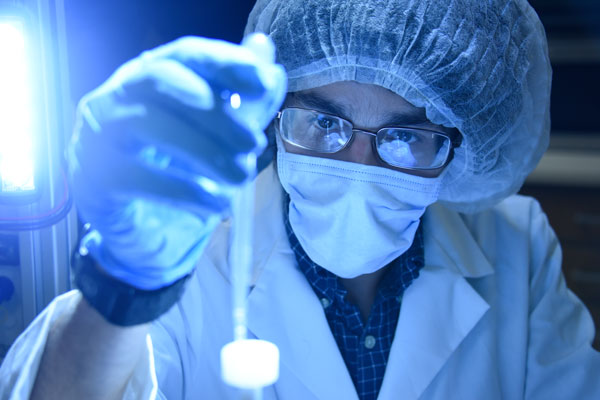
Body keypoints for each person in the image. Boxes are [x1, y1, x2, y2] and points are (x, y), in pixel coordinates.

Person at [1, 0, 600, 398]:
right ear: (275, 115)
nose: (358, 169)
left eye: (405, 138)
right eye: (324, 124)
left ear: (461, 142)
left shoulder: (518, 246)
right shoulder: (189, 244)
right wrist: (123, 285)